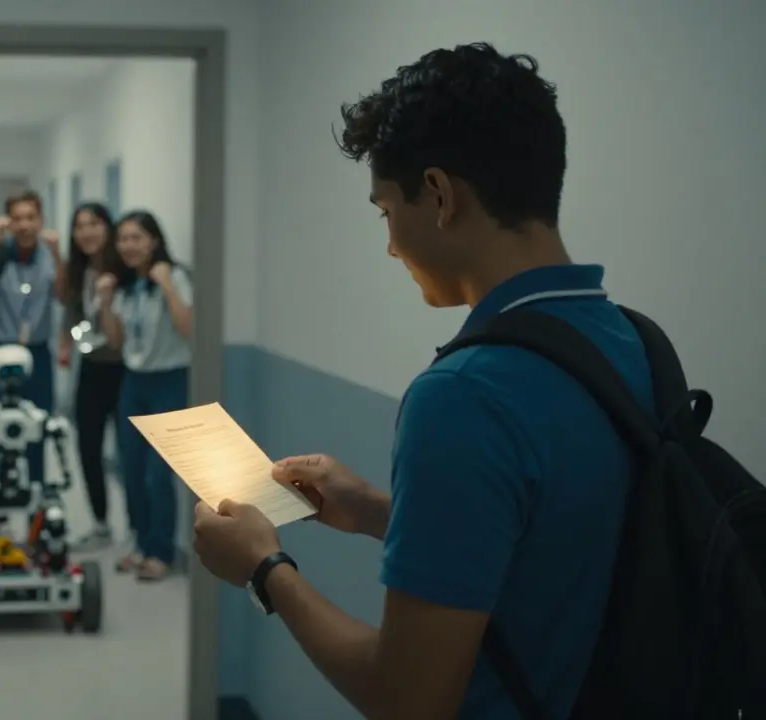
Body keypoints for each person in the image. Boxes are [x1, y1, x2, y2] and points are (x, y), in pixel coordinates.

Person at [192, 42, 656, 718]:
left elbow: (409, 700)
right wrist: (378, 513)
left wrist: (264, 568)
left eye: (386, 211)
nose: (390, 245)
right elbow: (555, 546)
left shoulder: (465, 395)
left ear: (438, 195)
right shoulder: (631, 341)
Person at [100, 210, 194, 581]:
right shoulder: (125, 286)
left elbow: (188, 329)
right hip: (133, 383)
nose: (128, 246)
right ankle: (140, 544)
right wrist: (105, 301)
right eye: (123, 239)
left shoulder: (176, 276)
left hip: (170, 381)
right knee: (131, 470)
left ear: (153, 241)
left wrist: (167, 285)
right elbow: (116, 341)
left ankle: (161, 551)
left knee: (157, 475)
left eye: (136, 238)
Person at [0, 189, 65, 487]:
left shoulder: (49, 255)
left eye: (31, 218)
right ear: (8, 222)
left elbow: (63, 295)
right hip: (0, 354)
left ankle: (36, 495)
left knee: (37, 429)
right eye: (17, 218)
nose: (24, 225)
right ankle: (1, 494)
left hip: (38, 354)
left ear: (41, 220)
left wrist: (57, 254)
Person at [57, 202, 126, 551]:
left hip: (125, 368)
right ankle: (100, 524)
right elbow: (71, 309)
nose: (86, 232)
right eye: (79, 226)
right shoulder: (78, 270)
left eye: (94, 224)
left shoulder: (123, 269)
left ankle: (138, 533)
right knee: (88, 448)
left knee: (130, 453)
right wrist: (67, 342)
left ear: (108, 227)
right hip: (91, 367)